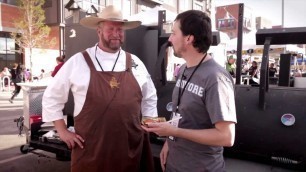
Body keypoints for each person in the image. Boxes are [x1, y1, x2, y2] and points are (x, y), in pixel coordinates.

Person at [42, 5, 157, 172]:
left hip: (129, 149)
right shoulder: (78, 61)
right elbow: (52, 96)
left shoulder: (135, 63)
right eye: (111, 29)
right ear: (99, 31)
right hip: (90, 152)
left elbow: (150, 96)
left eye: (120, 29)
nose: (116, 34)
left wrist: (149, 122)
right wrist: (62, 131)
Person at [142, 10, 236, 171]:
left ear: (188, 38)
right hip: (175, 164)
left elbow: (226, 136)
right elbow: (182, 116)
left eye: (173, 33)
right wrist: (169, 141)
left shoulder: (216, 78)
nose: (170, 39)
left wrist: (174, 131)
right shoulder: (184, 69)